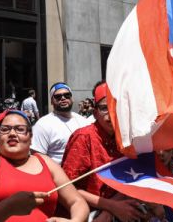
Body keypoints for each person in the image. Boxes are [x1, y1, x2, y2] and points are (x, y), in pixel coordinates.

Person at [0, 50, 89, 221]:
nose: (12, 133)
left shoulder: (46, 163)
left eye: (20, 129)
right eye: (5, 129)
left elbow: (77, 202)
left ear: (31, 136)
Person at [61, 83, 147, 221]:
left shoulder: (130, 138)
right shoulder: (84, 137)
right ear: (95, 113)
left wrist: (112, 209)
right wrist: (111, 207)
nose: (111, 114)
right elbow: (66, 188)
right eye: (104, 108)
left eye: (116, 108)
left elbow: (133, 176)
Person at [31, 83, 90, 164]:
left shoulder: (83, 121)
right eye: (58, 96)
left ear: (72, 98)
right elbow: (37, 157)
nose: (63, 98)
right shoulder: (43, 124)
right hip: (59, 174)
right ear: (51, 101)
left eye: (67, 95)